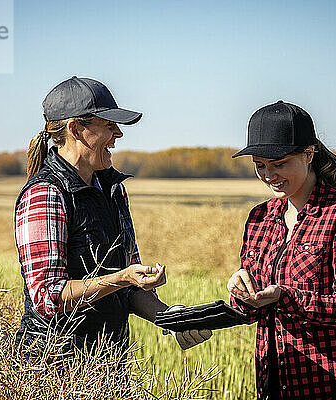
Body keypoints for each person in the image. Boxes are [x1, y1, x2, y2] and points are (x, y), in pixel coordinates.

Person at [14, 76, 211, 357]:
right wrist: (123, 278)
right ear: (75, 129)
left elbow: (129, 286)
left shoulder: (113, 190)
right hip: (52, 368)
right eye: (108, 125)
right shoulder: (45, 195)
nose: (118, 134)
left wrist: (171, 318)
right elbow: (49, 297)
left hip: (108, 364)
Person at [227, 101, 336, 400]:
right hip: (275, 383)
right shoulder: (259, 218)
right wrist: (241, 296)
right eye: (259, 165)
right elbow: (252, 310)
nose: (268, 175)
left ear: (309, 154)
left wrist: (284, 296)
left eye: (279, 164)